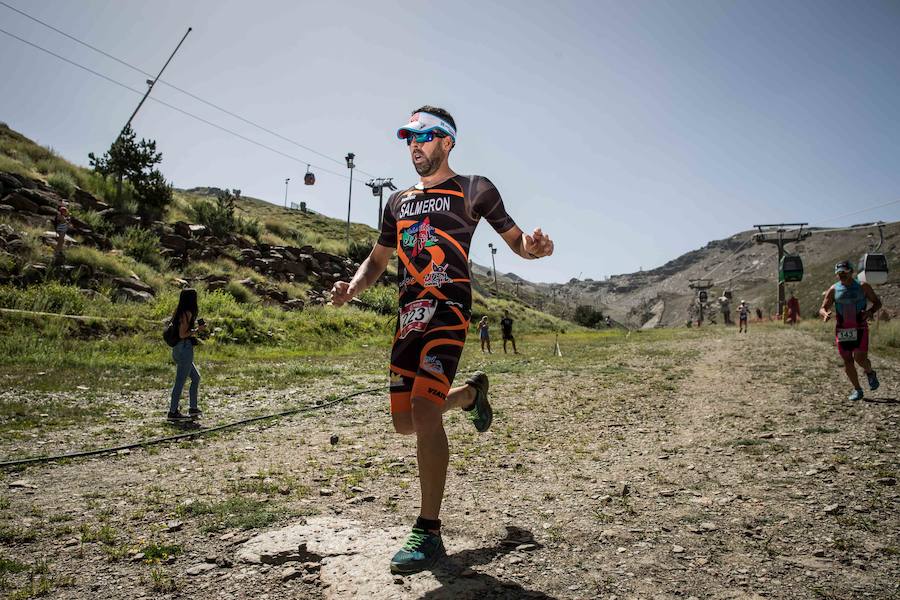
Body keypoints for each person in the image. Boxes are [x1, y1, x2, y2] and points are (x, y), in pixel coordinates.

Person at [330, 106, 553, 574]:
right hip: (408, 314)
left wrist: (532, 249)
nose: (415, 144)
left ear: (447, 141)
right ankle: (472, 394)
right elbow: (377, 258)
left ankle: (428, 531)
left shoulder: (475, 189)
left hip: (449, 307)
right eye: (408, 137)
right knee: (405, 424)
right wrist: (353, 287)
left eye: (425, 136)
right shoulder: (396, 202)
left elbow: (514, 239)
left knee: (426, 413)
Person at [819, 260, 882, 401]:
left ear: (851, 272)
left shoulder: (863, 286)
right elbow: (823, 307)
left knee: (859, 358)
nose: (841, 275)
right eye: (839, 273)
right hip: (842, 329)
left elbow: (877, 303)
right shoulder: (834, 289)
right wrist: (825, 314)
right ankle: (857, 390)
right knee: (847, 360)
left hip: (859, 326)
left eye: (844, 272)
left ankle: (870, 372)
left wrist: (870, 311)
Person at [168, 288, 205, 421]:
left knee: (196, 377)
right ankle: (172, 411)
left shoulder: (178, 312)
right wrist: (197, 330)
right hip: (184, 349)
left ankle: (193, 408)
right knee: (180, 381)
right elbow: (183, 334)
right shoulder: (187, 313)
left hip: (178, 349)